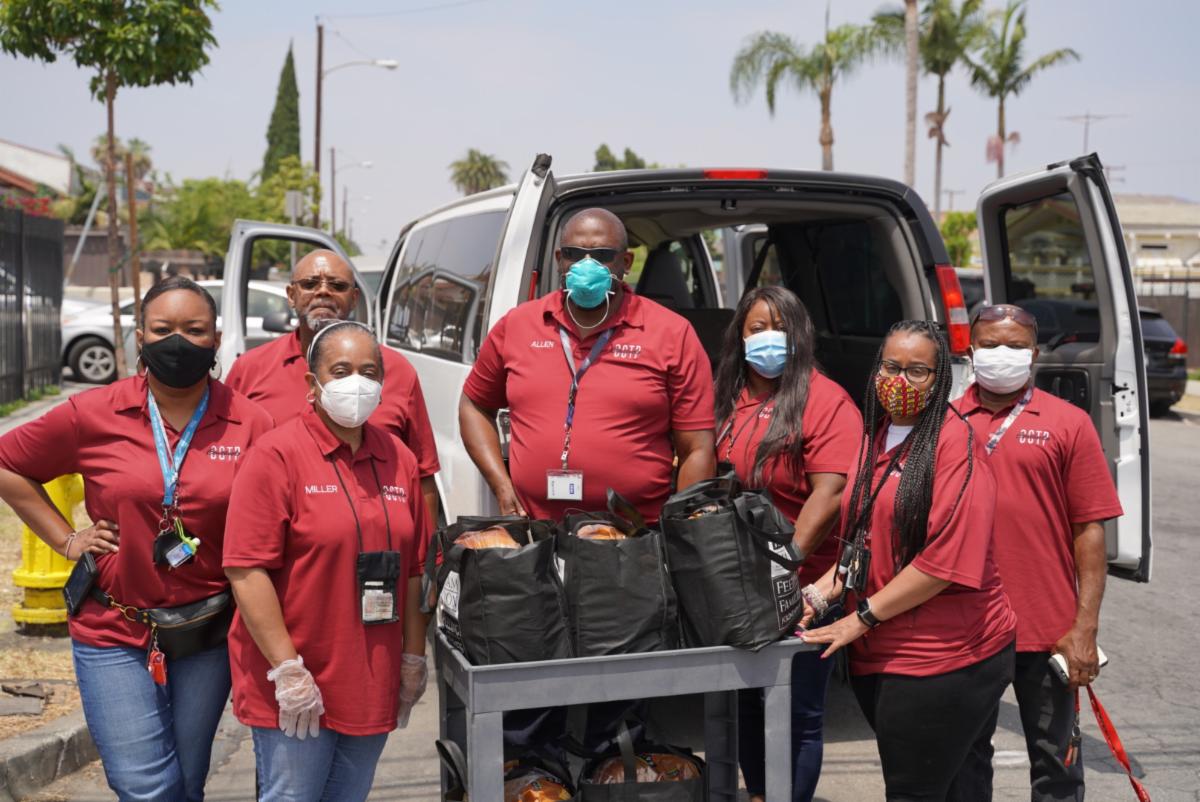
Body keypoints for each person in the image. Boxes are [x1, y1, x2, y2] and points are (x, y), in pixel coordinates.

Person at [0, 276, 274, 801]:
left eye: (194, 330)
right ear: (140, 337)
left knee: (186, 783)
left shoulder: (251, 423)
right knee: (145, 785)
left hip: (207, 631)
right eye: (163, 329)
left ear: (216, 339)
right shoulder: (93, 412)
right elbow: (9, 465)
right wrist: (67, 539)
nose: (178, 342)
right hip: (113, 626)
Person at [801, 320, 1018, 802]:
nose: (900, 380)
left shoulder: (956, 445)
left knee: (914, 790)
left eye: (917, 370)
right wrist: (814, 595)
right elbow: (862, 542)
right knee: (958, 784)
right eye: (891, 367)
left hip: (943, 656)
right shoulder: (875, 437)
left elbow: (943, 563)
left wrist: (859, 618)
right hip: (884, 648)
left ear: (940, 378)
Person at [223, 320, 431, 801]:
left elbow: (415, 568)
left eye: (369, 372)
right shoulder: (276, 455)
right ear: (312, 384)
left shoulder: (398, 457)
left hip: (371, 678)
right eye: (340, 371)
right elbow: (246, 570)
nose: (356, 382)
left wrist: (413, 657)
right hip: (297, 677)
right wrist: (288, 671)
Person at [953, 304, 1123, 802]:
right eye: (990, 344)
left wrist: (1084, 627)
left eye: (1014, 345)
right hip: (964, 627)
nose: (1001, 354)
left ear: (1033, 354)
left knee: (1057, 766)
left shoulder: (1068, 422)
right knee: (963, 764)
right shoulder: (944, 420)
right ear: (971, 351)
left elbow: (1089, 530)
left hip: (1049, 632)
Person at [459, 207, 716, 523]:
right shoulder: (518, 325)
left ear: (625, 262)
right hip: (537, 533)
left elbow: (697, 448)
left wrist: (681, 530)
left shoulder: (671, 334)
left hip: (636, 536)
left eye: (602, 255)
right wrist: (500, 484)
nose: (587, 264)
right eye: (574, 254)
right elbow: (474, 405)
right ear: (559, 260)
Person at [712, 287, 861, 802]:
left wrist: (784, 564)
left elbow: (831, 492)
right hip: (735, 581)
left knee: (797, 709)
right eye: (757, 328)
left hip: (804, 583)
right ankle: (760, 795)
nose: (769, 338)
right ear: (739, 336)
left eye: (781, 328)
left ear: (800, 336)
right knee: (746, 701)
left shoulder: (826, 400)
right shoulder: (728, 396)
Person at [225, 249, 441, 523]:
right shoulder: (250, 368)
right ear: (291, 295)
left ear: (354, 298)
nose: (323, 292)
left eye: (337, 286)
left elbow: (423, 475)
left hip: (379, 537)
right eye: (310, 284)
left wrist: (425, 549)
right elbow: (227, 470)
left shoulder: (397, 370)